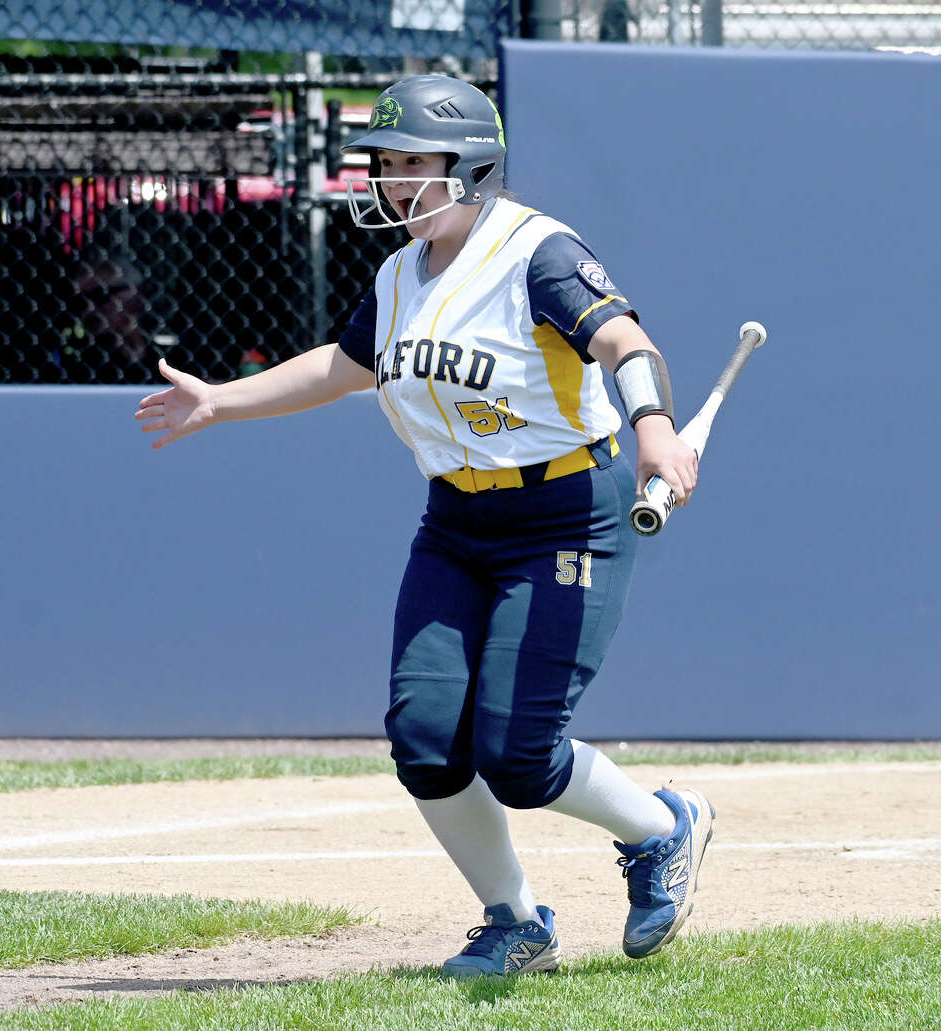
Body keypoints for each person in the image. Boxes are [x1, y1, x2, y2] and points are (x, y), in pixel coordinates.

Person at [134, 74, 715, 978]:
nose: (395, 181)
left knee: (520, 755)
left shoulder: (537, 253)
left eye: (415, 163)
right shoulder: (400, 271)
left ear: (473, 166)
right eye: (385, 163)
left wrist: (651, 427)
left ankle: (661, 829)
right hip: (457, 519)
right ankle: (515, 919)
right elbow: (343, 364)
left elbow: (624, 342)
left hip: (565, 508)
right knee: (425, 733)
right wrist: (220, 401)